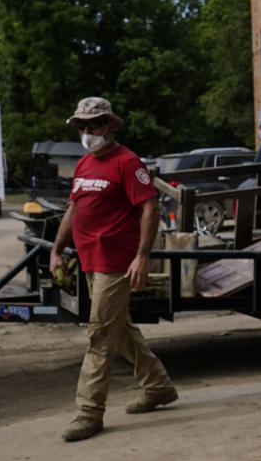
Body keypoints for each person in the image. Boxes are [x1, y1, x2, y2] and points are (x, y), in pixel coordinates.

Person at [52, 97, 178, 442]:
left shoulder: (128, 162)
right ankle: (159, 387)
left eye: (93, 124)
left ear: (109, 124)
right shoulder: (83, 165)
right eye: (81, 125)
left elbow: (150, 209)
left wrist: (141, 257)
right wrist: (57, 249)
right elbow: (73, 210)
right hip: (90, 260)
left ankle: (89, 413)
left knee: (100, 334)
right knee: (119, 328)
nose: (87, 131)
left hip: (117, 262)